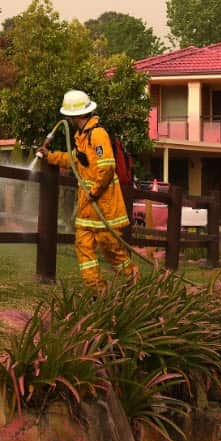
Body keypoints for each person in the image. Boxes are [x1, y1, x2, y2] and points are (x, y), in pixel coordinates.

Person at [37, 90, 138, 292]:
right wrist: (50, 156)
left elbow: (107, 167)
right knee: (83, 249)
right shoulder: (81, 136)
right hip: (87, 208)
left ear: (73, 115)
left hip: (104, 208)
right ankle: (97, 291)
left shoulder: (97, 134)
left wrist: (94, 191)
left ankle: (134, 286)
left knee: (113, 252)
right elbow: (74, 159)